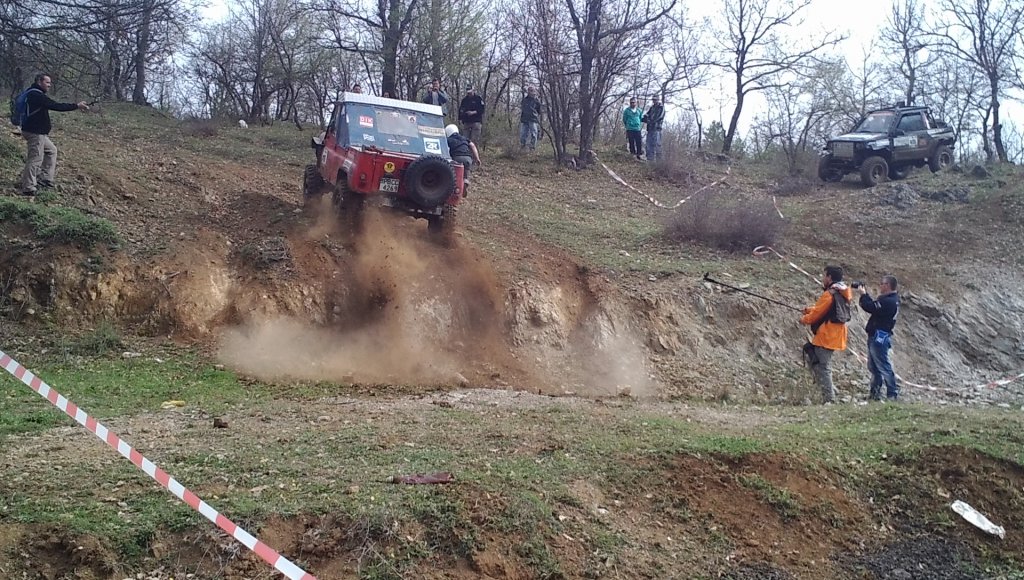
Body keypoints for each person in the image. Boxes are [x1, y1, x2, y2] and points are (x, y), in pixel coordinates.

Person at [17, 73, 89, 196]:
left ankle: (45, 179)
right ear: (39, 81)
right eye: (47, 82)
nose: (49, 85)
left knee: (51, 150)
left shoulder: (35, 93)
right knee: (35, 159)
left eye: (50, 83)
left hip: (37, 132)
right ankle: (28, 187)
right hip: (35, 132)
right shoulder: (36, 95)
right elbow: (56, 106)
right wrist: (76, 106)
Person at [799, 265, 853, 404]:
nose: (823, 278)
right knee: (818, 363)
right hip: (836, 335)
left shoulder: (829, 294)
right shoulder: (842, 292)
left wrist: (804, 319)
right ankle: (827, 393)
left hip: (826, 336)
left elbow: (817, 314)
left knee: (823, 367)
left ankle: (829, 398)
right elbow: (825, 309)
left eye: (824, 276)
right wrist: (808, 310)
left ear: (829, 277)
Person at [857, 275, 901, 401]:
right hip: (879, 334)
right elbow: (875, 306)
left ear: (887, 285)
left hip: (879, 336)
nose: (880, 286)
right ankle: (875, 393)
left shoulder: (889, 301)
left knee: (883, 366)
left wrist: (863, 294)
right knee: (874, 367)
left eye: (882, 283)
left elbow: (869, 307)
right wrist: (866, 295)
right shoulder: (893, 299)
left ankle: (892, 394)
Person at [445, 124, 481, 195]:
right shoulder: (464, 138)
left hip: (457, 157)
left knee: (455, 174)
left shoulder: (448, 140)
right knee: (465, 173)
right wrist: (477, 158)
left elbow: (446, 149)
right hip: (468, 158)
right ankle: (465, 181)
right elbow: (473, 146)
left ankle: (456, 188)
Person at [642, 94, 665, 162]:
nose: (654, 101)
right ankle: (650, 160)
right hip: (650, 129)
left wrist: (649, 120)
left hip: (656, 129)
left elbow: (658, 118)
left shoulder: (661, 108)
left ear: (658, 100)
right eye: (653, 100)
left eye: (655, 99)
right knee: (649, 144)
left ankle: (659, 162)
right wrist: (644, 118)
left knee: (657, 145)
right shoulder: (652, 108)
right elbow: (646, 116)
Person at [519, 86, 541, 150]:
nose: (530, 92)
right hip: (524, 119)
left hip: (533, 119)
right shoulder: (525, 100)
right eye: (529, 90)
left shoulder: (536, 100)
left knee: (534, 133)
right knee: (523, 134)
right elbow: (522, 108)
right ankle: (522, 146)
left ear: (534, 91)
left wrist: (536, 115)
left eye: (532, 90)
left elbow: (539, 110)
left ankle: (532, 147)